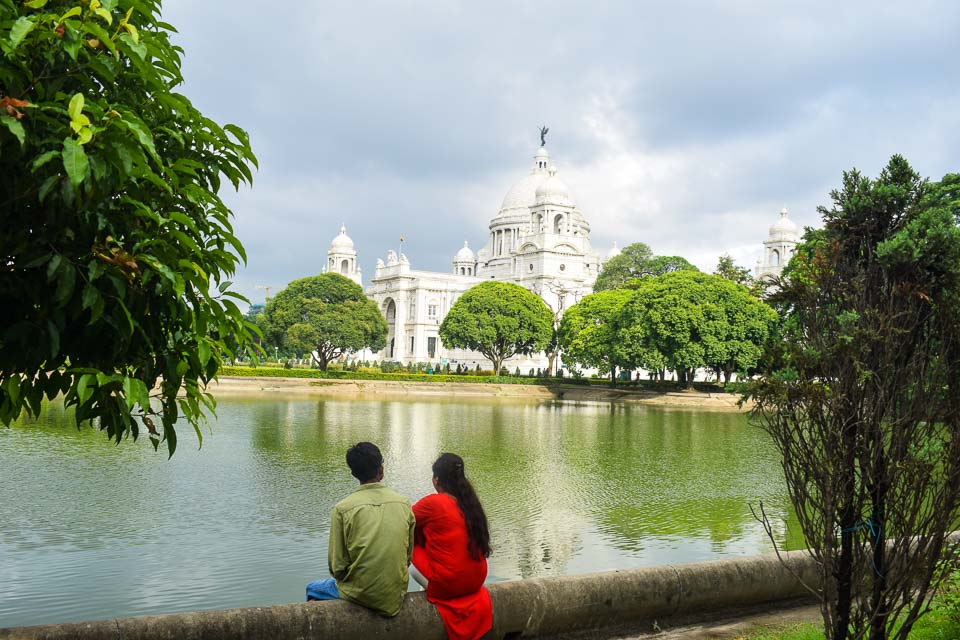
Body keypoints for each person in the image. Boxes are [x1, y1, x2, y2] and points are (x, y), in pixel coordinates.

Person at [306, 442, 415, 617]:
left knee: (312, 588)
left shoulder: (342, 508)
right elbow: (408, 557)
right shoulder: (403, 503)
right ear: (381, 469)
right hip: (395, 593)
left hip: (360, 593)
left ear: (353, 473)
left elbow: (337, 568)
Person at [411, 453, 493, 640]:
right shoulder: (470, 503)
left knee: (411, 542)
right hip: (477, 580)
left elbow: (402, 521)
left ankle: (427, 590)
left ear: (437, 479)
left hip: (449, 585)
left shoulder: (433, 503)